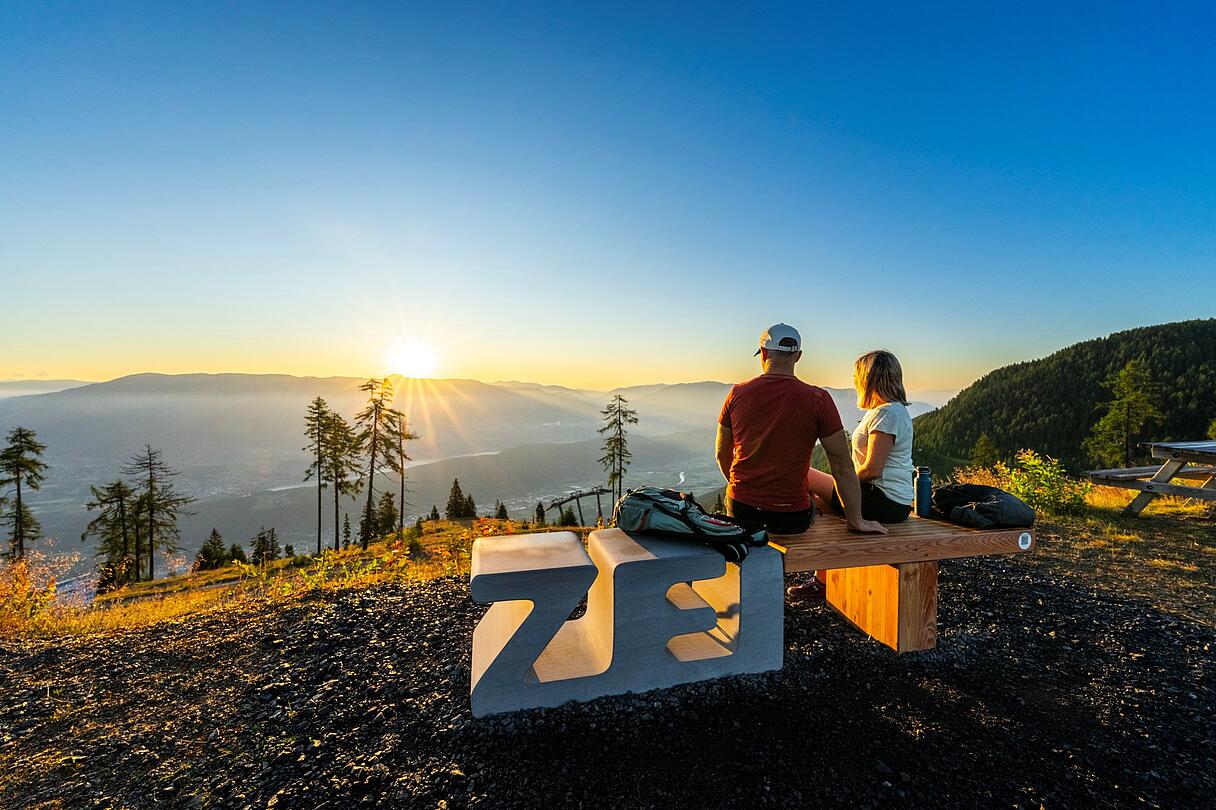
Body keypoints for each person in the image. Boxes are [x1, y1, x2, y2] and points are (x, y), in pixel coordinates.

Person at [716, 324, 888, 543]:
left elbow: (722, 454)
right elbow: (842, 465)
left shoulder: (737, 394)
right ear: (797, 356)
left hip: (742, 511)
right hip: (791, 518)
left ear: (764, 353)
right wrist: (856, 520)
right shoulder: (819, 399)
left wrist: (737, 489)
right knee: (813, 499)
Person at [806, 349, 914, 525]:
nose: (854, 380)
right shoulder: (886, 411)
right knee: (815, 500)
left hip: (883, 500)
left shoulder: (887, 413)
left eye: (856, 375)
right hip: (890, 500)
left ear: (868, 378)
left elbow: (872, 470)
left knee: (805, 473)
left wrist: (844, 481)